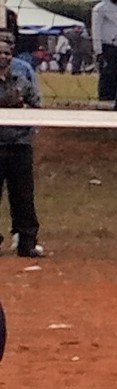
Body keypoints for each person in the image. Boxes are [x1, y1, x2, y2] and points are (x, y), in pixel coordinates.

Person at [0, 39, 36, 258]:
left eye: (7, 53)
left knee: (23, 196)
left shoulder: (21, 80)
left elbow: (36, 104)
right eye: (0, 52)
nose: (3, 56)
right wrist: (11, 102)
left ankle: (27, 242)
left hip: (19, 144)